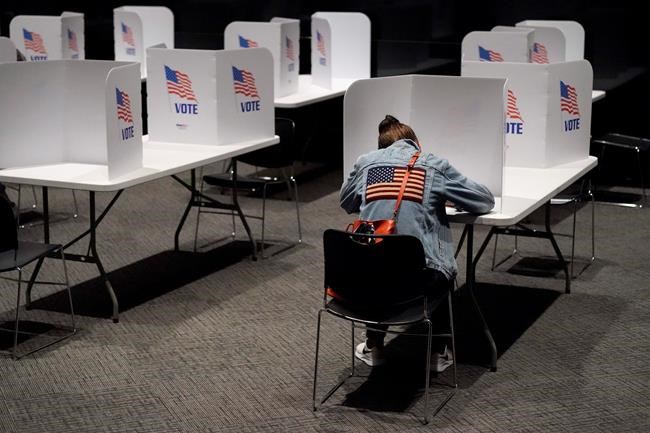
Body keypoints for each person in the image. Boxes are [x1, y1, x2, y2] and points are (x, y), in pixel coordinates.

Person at [339, 115, 495, 371]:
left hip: (363, 282)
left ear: (383, 147)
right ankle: (438, 351)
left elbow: (346, 202)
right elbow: (484, 200)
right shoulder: (431, 165)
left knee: (378, 256)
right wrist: (446, 198)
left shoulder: (366, 163)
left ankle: (374, 345)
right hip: (420, 281)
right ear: (416, 143)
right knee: (434, 263)